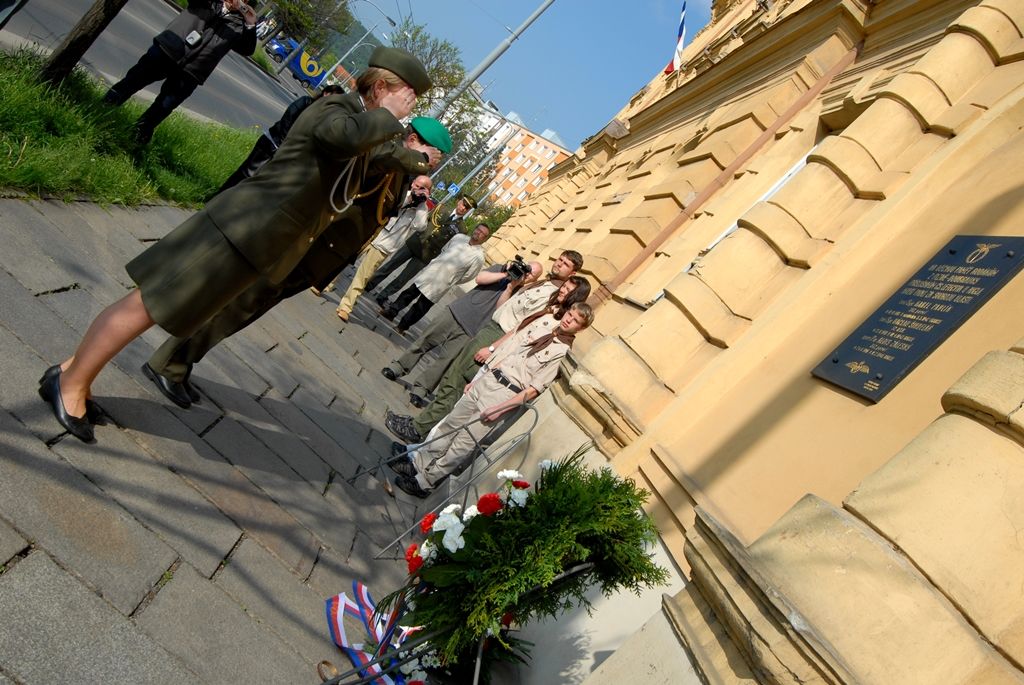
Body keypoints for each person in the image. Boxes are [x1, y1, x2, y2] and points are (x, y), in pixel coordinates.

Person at [39, 47, 431, 441]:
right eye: (406, 95)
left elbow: (365, 159)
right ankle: (70, 384)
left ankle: (74, 373)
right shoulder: (337, 111)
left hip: (255, 239)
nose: (408, 106)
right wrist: (389, 117)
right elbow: (341, 138)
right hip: (239, 228)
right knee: (149, 303)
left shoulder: (360, 122)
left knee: (159, 305)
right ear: (381, 87)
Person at [141, 120, 448, 408]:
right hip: (303, 248)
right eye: (435, 153)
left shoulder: (400, 171)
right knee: (237, 305)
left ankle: (185, 361)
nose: (435, 161)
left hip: (316, 256)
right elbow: (372, 157)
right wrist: (415, 158)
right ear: (414, 141)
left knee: (246, 311)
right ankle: (168, 363)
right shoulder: (386, 153)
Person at [389, 302, 595, 498]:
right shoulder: (546, 329)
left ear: (581, 328)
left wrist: (501, 408)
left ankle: (425, 481)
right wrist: (480, 379)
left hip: (504, 394)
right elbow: (510, 353)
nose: (569, 320)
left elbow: (533, 390)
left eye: (576, 320)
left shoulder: (561, 351)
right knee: (450, 425)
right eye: (569, 314)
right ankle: (416, 465)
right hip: (489, 379)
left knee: (463, 442)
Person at [386, 252, 586, 444]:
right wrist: (510, 287)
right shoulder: (544, 283)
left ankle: (417, 429)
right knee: (452, 377)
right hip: (491, 328)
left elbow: (519, 330)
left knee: (457, 382)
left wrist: (492, 348)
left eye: (566, 264)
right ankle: (421, 423)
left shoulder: (554, 303)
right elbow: (505, 309)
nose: (559, 265)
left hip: (497, 337)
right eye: (560, 259)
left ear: (573, 275)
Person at [380, 261, 543, 407]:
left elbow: (501, 308)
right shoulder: (501, 268)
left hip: (473, 329)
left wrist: (510, 286)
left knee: (445, 361)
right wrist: (505, 274)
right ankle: (398, 367)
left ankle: (421, 390)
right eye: (526, 269)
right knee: (424, 341)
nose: (526, 274)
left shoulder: (521, 295)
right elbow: (480, 278)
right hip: (455, 312)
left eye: (531, 274)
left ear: (534, 280)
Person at [103, 0, 258, 145]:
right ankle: (101, 111)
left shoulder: (240, 24)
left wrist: (250, 25)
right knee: (132, 82)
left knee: (162, 108)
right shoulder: (209, 2)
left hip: (192, 71)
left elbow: (246, 48)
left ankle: (133, 140)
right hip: (168, 50)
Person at [332, 171, 439, 321]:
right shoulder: (401, 192)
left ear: (427, 191)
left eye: (422, 188)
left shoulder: (421, 208)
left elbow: (420, 226)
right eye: (416, 184)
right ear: (413, 182)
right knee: (343, 259)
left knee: (363, 277)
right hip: (370, 232)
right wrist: (409, 198)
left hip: (385, 244)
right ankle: (327, 283)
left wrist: (421, 204)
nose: (417, 188)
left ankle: (346, 306)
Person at [214, 85, 346, 195]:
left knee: (256, 185)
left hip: (283, 154)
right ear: (326, 93)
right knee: (246, 174)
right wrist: (282, 145)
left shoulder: (321, 117)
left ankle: (226, 204)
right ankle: (216, 199)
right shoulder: (306, 102)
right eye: (333, 97)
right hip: (272, 143)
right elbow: (287, 120)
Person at [364, 195, 476, 304]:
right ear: (459, 201)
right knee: (391, 265)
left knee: (403, 278)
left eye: (467, 208)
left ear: (468, 211)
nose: (463, 208)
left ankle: (384, 295)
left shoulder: (462, 229)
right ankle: (370, 284)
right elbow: (423, 221)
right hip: (414, 242)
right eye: (463, 204)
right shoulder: (441, 208)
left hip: (426, 255)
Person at [380, 223, 490, 333]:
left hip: (442, 283)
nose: (478, 233)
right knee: (409, 293)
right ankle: (391, 312)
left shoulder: (479, 257)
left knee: (421, 307)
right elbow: (444, 250)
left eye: (482, 233)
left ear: (484, 239)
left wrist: (451, 279)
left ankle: (402, 326)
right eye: (478, 229)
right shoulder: (459, 238)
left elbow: (469, 276)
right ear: (475, 229)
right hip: (431, 273)